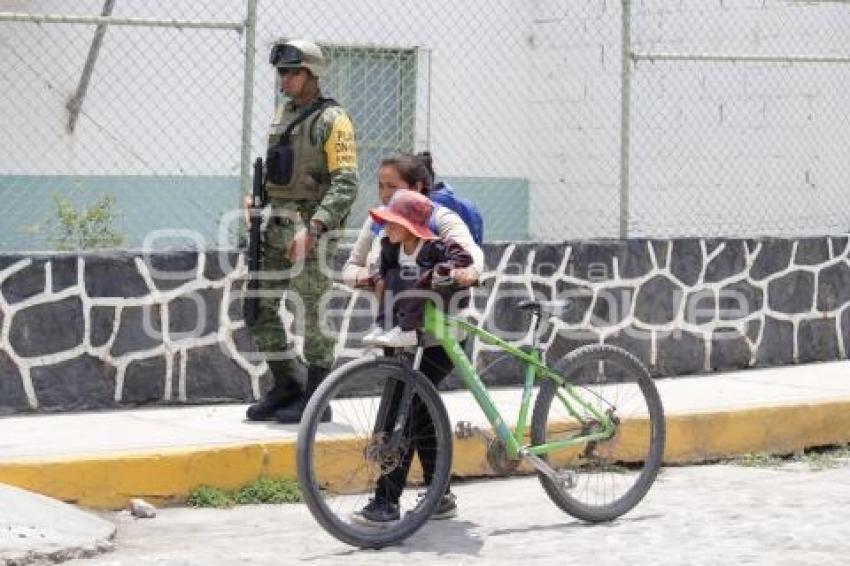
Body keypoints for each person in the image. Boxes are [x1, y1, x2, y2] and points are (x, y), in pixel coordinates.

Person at [342, 153, 484, 523]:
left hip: (441, 334)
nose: (385, 194)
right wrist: (367, 277)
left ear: (418, 189)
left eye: (393, 187)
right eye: (381, 186)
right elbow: (351, 266)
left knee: (411, 409)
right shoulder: (379, 224)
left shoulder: (441, 218)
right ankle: (440, 497)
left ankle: (386, 503)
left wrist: (466, 272)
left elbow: (472, 255)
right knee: (413, 410)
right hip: (398, 329)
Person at [245, 39, 358, 424]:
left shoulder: (333, 120)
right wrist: (255, 200)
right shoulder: (284, 112)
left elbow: (345, 184)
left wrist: (314, 228)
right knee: (257, 307)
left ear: (312, 73)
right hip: (275, 224)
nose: (284, 81)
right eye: (281, 73)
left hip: (310, 230)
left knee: (313, 314)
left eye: (291, 73)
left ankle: (316, 398)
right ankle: (288, 384)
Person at [363, 189, 474, 347]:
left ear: (410, 227)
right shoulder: (390, 246)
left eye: (395, 224)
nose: (388, 228)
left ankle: (408, 331)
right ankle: (384, 325)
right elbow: (385, 272)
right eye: (387, 223)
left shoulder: (435, 245)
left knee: (420, 274)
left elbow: (463, 257)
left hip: (443, 296)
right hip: (412, 297)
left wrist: (443, 269)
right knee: (392, 275)